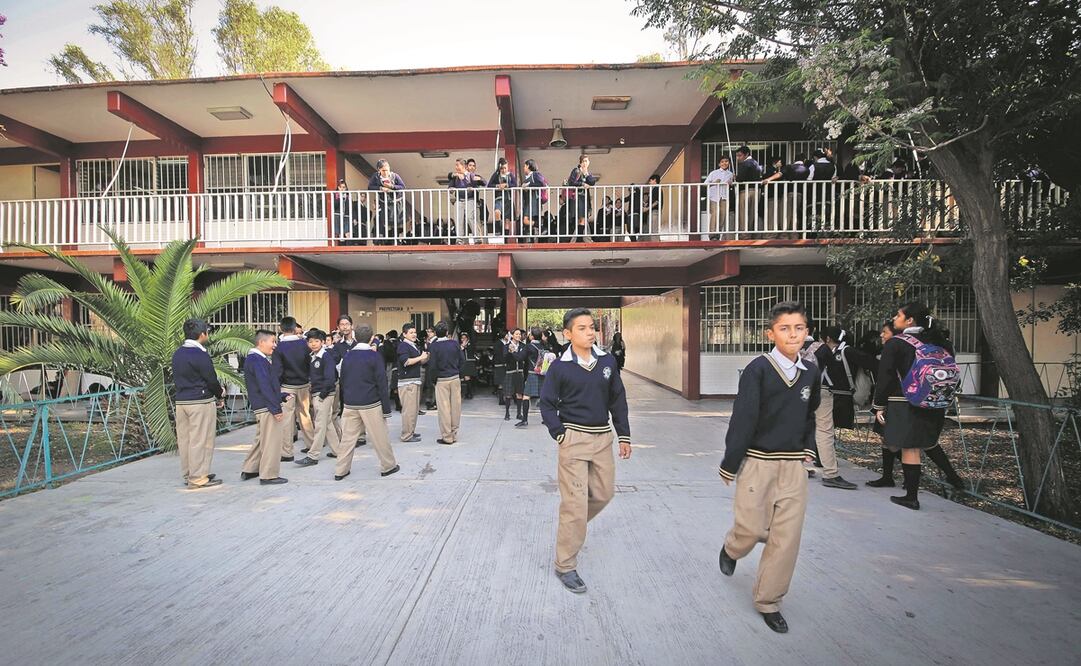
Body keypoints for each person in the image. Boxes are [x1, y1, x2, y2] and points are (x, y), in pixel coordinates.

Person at [717, 301, 820, 634]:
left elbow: (810, 415)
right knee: (750, 529)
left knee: (786, 539)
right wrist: (730, 462)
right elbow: (743, 419)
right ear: (770, 333)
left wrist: (808, 448)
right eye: (784, 328)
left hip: (793, 467)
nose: (793, 334)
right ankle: (732, 548)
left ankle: (769, 602)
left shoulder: (811, 372)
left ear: (807, 332)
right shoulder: (758, 370)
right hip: (757, 463)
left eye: (799, 328)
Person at [539, 308, 632, 594]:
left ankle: (573, 525)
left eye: (592, 327)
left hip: (602, 438)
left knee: (603, 494)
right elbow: (546, 403)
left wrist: (624, 435)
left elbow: (617, 399)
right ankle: (565, 564)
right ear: (567, 334)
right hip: (573, 440)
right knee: (575, 505)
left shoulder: (607, 362)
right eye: (582, 328)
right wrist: (559, 433)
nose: (590, 332)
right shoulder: (559, 366)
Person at [872, 303, 965, 509]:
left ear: (909, 320)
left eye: (898, 315)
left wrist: (879, 405)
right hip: (936, 401)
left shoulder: (896, 343)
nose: (894, 318)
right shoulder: (941, 342)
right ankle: (950, 478)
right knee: (927, 443)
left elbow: (885, 377)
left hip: (905, 402)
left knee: (910, 448)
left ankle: (911, 497)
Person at [337, 325, 400, 480]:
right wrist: (386, 409)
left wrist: (345, 400)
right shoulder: (374, 356)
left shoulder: (347, 356)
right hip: (370, 403)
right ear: (372, 338)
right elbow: (382, 383)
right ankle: (388, 465)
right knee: (379, 437)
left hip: (350, 403)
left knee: (347, 439)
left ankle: (341, 470)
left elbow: (343, 379)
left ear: (355, 337)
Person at [811, 325, 867, 490]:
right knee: (824, 431)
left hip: (794, 392)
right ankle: (830, 473)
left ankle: (794, 468)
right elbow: (833, 371)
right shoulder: (822, 349)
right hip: (821, 391)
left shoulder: (788, 347)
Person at [171, 318, 224, 488]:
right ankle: (198, 477)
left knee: (185, 440)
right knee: (201, 440)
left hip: (182, 401)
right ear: (202, 334)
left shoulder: (178, 353)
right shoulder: (201, 354)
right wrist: (220, 394)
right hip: (200, 401)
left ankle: (189, 473)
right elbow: (211, 379)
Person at [241, 329, 290, 485]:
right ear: (261, 342)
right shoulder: (257, 360)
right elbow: (264, 385)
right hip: (266, 406)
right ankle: (269, 475)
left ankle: (250, 469)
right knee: (271, 442)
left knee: (261, 439)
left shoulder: (256, 359)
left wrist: (281, 396)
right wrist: (276, 409)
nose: (274, 345)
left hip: (263, 404)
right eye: (272, 342)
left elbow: (265, 385)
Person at [295, 329, 341, 467]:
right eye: (310, 341)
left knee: (320, 425)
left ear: (322, 342)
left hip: (324, 394)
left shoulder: (326, 357)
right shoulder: (313, 356)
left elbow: (330, 378)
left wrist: (322, 395)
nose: (313, 344)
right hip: (318, 393)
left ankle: (313, 455)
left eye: (316, 341)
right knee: (327, 423)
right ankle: (338, 451)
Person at [272, 316, 314, 462]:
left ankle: (287, 452)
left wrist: (276, 388)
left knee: (287, 420)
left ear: (281, 328)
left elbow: (277, 370)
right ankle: (312, 446)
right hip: (304, 384)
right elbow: (309, 363)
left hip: (287, 387)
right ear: (295, 327)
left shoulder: (279, 348)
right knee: (305, 416)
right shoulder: (304, 344)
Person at [427, 321, 464, 445]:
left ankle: (447, 436)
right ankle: (454, 434)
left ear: (435, 333)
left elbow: (432, 366)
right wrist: (458, 373)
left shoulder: (434, 346)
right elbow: (462, 360)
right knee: (456, 407)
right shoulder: (454, 344)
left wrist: (433, 380)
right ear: (447, 332)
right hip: (455, 377)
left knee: (444, 409)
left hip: (442, 379)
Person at [397, 323, 428, 443]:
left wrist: (426, 356)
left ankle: (411, 431)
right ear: (404, 334)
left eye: (415, 332)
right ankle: (406, 435)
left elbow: (419, 362)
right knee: (409, 410)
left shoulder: (413, 345)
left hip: (414, 381)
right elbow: (406, 362)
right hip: (407, 382)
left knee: (414, 410)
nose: (414, 334)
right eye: (411, 332)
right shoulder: (403, 346)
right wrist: (420, 357)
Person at [368, 159, 406, 244]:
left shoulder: (394, 176)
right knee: (384, 222)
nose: (385, 172)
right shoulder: (376, 176)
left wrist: (391, 186)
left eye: (387, 170)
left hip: (395, 203)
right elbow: (370, 187)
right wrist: (380, 188)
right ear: (379, 170)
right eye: (383, 170)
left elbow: (403, 186)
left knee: (396, 223)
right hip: (384, 203)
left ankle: (396, 241)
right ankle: (384, 241)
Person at [519, 327, 546, 428]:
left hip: (532, 373)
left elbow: (520, 357)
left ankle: (525, 420)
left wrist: (513, 352)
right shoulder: (544, 346)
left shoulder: (529, 347)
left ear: (532, 337)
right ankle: (546, 419)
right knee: (543, 397)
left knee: (526, 396)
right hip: (542, 374)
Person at [567, 155, 598, 242]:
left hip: (584, 198)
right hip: (577, 198)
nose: (585, 163)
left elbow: (592, 182)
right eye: (583, 161)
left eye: (586, 161)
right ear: (580, 162)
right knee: (580, 219)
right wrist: (582, 184)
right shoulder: (576, 170)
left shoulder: (587, 173)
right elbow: (571, 182)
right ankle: (578, 240)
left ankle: (577, 239)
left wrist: (586, 173)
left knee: (583, 220)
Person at [449, 159, 480, 244]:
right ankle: (460, 240)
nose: (456, 167)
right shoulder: (455, 177)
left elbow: (477, 185)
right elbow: (450, 186)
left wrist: (472, 187)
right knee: (458, 219)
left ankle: (477, 239)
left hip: (470, 199)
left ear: (463, 166)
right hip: (459, 200)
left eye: (457, 165)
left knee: (470, 217)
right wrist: (451, 189)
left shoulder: (470, 175)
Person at [733, 146, 763, 234]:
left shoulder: (745, 164)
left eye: (740, 155)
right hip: (756, 191)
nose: (738, 158)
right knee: (752, 214)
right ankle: (750, 233)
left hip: (745, 192)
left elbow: (740, 179)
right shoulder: (755, 163)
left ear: (746, 155)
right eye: (737, 156)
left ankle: (744, 234)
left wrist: (735, 177)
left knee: (743, 214)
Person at [704, 156, 734, 240]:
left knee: (722, 216)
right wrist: (714, 182)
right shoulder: (714, 173)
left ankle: (718, 235)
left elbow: (732, 185)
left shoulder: (730, 174)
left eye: (726, 161)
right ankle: (712, 235)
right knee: (715, 214)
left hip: (724, 197)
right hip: (714, 197)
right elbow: (705, 184)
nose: (724, 163)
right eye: (722, 162)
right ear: (719, 164)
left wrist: (731, 183)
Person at [488, 158, 517, 235]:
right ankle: (498, 231)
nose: (504, 170)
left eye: (505, 168)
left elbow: (515, 184)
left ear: (507, 167)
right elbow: (489, 185)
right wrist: (498, 186)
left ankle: (505, 238)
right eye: (502, 168)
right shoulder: (496, 175)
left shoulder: (510, 175)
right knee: (497, 212)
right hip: (499, 198)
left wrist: (507, 185)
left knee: (507, 220)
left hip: (508, 198)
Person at [503, 328, 527, 421]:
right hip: (510, 371)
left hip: (520, 371)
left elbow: (522, 358)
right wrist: (510, 353)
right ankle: (507, 413)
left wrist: (514, 352)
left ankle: (519, 413)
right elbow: (504, 358)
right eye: (516, 334)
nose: (518, 336)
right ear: (512, 335)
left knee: (519, 393)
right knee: (508, 393)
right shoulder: (506, 346)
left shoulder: (523, 346)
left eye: (519, 334)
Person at [521, 159, 548, 235]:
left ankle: (541, 227)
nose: (524, 168)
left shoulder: (535, 174)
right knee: (528, 221)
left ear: (528, 166)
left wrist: (528, 185)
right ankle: (540, 228)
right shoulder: (528, 177)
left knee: (526, 220)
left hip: (534, 200)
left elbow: (542, 184)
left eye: (524, 166)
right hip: (529, 201)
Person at [460, 333, 477, 399]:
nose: (463, 339)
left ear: (467, 338)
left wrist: (465, 346)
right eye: (462, 338)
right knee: (466, 377)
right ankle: (468, 392)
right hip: (465, 362)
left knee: (468, 377)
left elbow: (472, 350)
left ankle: (470, 393)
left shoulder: (470, 344)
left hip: (470, 361)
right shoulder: (460, 345)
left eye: (465, 338)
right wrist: (462, 346)